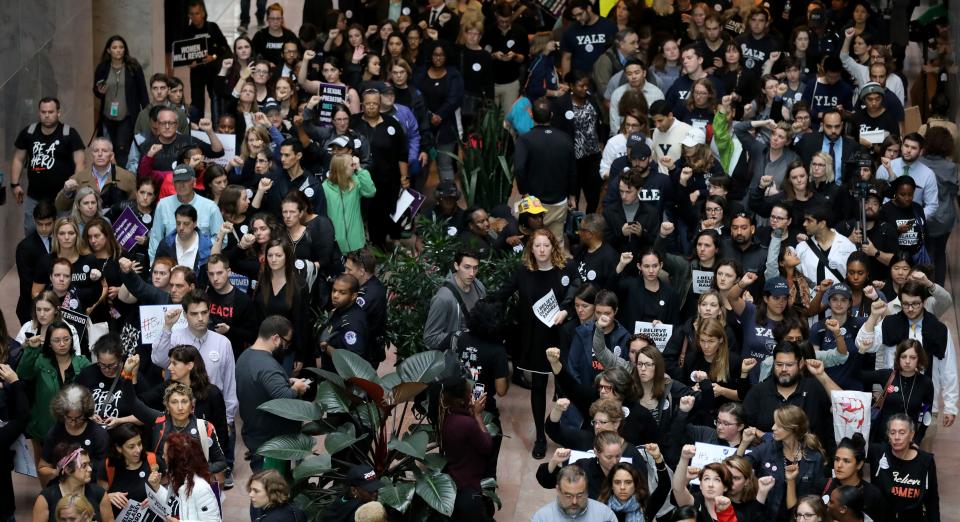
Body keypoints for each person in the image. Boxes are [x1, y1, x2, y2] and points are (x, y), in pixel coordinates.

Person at [493, 229, 578, 458]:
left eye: (546, 245)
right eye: (537, 246)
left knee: (565, 387)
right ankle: (540, 437)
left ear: (553, 247)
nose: (541, 250)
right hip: (535, 338)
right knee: (538, 387)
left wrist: (566, 311)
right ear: (531, 248)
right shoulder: (523, 271)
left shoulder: (566, 269)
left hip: (561, 337)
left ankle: (566, 434)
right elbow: (503, 294)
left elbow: (579, 293)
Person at [855, 281, 959, 436]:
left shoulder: (938, 329)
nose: (910, 309)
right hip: (893, 402)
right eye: (905, 304)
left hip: (927, 405)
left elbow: (948, 368)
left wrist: (950, 405)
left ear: (924, 301)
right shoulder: (890, 323)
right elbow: (862, 344)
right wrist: (873, 316)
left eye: (915, 304)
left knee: (922, 452)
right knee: (890, 453)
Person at [152, 290, 237, 431]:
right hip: (177, 412)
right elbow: (158, 360)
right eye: (194, 313)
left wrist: (228, 420)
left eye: (204, 312)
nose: (200, 318)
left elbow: (229, 385)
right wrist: (167, 327)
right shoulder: (174, 338)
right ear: (185, 315)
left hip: (213, 412)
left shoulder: (223, 343)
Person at [235, 316, 310, 471]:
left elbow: (260, 385)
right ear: (276, 338)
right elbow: (284, 397)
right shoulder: (268, 365)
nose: (286, 347)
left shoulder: (245, 356)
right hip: (271, 441)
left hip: (255, 433)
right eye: (286, 342)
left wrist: (286, 381)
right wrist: (297, 388)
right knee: (271, 488)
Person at [741, 341, 834, 452]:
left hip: (810, 460)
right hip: (767, 460)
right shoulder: (758, 392)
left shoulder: (814, 388)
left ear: (800, 364)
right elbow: (747, 429)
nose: (784, 369)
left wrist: (822, 376)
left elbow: (843, 406)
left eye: (789, 365)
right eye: (779, 364)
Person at [11, 97, 86, 234]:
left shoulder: (69, 134)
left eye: (50, 112)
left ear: (58, 112)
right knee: (31, 231)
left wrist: (74, 184)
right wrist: (15, 184)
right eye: (43, 112)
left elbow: (80, 163)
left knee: (63, 233)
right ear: (39, 112)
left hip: (62, 197)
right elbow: (18, 159)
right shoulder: (29, 132)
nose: (46, 115)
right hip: (34, 196)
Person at [741, 405, 828, 521]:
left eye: (778, 425)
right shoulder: (767, 448)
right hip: (767, 517)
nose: (773, 427)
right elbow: (738, 467)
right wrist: (744, 443)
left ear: (792, 428)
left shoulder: (814, 458)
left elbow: (816, 499)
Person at [514, 99, 577, 249]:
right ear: (552, 115)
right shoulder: (565, 139)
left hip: (534, 204)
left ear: (531, 115)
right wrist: (572, 195)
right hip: (559, 201)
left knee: (534, 244)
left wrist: (524, 193)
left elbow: (519, 168)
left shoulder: (524, 140)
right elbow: (573, 170)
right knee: (556, 243)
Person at [440, 377, 494, 520]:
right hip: (468, 490)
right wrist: (477, 415)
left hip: (455, 482)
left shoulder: (447, 416)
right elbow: (487, 446)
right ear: (462, 398)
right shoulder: (467, 424)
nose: (471, 395)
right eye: (469, 393)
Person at [869, 414, 940, 521]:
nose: (896, 437)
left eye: (902, 433)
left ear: (911, 435)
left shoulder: (925, 461)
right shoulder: (878, 453)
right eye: (892, 433)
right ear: (888, 435)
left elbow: (932, 500)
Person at [148, 164, 224, 261]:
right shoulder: (163, 205)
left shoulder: (210, 207)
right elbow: (155, 238)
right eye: (178, 181)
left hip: (201, 263)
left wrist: (199, 249)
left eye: (186, 180)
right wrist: (153, 265)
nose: (181, 184)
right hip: (171, 263)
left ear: (194, 182)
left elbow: (221, 238)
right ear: (173, 183)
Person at [93, 36, 149, 167]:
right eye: (114, 48)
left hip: (127, 116)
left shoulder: (133, 67)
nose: (118, 50)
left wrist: (147, 114)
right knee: (107, 149)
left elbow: (143, 92)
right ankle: (107, 180)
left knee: (122, 148)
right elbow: (95, 90)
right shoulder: (102, 68)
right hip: (107, 116)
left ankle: (122, 180)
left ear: (125, 50)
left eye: (121, 47)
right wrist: (99, 91)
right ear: (108, 50)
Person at [148, 432, 222, 521]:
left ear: (176, 460)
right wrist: (157, 487)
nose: (163, 457)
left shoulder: (200, 489)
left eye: (165, 454)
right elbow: (175, 503)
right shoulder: (179, 478)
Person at [423, 250, 486, 351]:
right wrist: (460, 338)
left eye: (475, 268)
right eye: (467, 267)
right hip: (456, 357)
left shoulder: (479, 287)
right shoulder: (443, 298)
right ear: (456, 266)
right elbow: (430, 338)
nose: (472, 273)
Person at [55, 138, 136, 215]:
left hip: (117, 226)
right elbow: (61, 207)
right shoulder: (77, 178)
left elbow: (137, 206)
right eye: (96, 151)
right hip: (86, 226)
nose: (100, 154)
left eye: (104, 151)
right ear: (92, 155)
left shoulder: (127, 177)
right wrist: (66, 192)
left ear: (111, 155)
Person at [32, 445, 112, 522]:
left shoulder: (99, 494)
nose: (90, 469)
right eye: (84, 465)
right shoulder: (46, 498)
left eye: (89, 464)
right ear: (67, 469)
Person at [98, 423, 159, 517]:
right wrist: (108, 497)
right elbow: (99, 498)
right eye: (131, 447)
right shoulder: (108, 467)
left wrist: (156, 498)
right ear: (119, 448)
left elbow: (168, 493)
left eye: (139, 444)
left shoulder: (152, 460)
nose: (138, 450)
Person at [322, 151, 376, 253]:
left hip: (357, 242)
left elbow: (370, 192)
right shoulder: (325, 187)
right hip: (336, 243)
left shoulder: (355, 181)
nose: (354, 167)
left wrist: (360, 169)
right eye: (351, 165)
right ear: (341, 169)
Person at [317, 274, 371, 366]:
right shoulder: (341, 308)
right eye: (334, 290)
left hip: (339, 377)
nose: (335, 295)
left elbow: (353, 362)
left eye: (342, 292)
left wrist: (325, 347)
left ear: (353, 296)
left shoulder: (353, 324)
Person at [532, 464, 618, 521]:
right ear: (558, 490)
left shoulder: (605, 516)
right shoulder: (542, 518)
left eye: (580, 495)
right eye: (568, 495)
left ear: (587, 491)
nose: (574, 501)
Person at [16, 201, 56, 323]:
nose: (44, 228)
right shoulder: (25, 247)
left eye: (48, 224)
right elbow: (27, 283)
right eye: (40, 224)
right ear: (34, 221)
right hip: (31, 309)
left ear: (55, 220)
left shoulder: (61, 240)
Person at [559, 0, 618, 76]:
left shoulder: (609, 26)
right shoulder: (570, 31)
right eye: (575, 16)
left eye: (580, 14)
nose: (578, 18)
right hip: (580, 79)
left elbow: (617, 53)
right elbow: (566, 58)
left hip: (605, 74)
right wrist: (566, 82)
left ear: (589, 8)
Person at [154, 204, 214, 271]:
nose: (181, 228)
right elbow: (156, 271)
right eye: (178, 223)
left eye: (186, 224)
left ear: (195, 224)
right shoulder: (166, 244)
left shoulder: (206, 245)